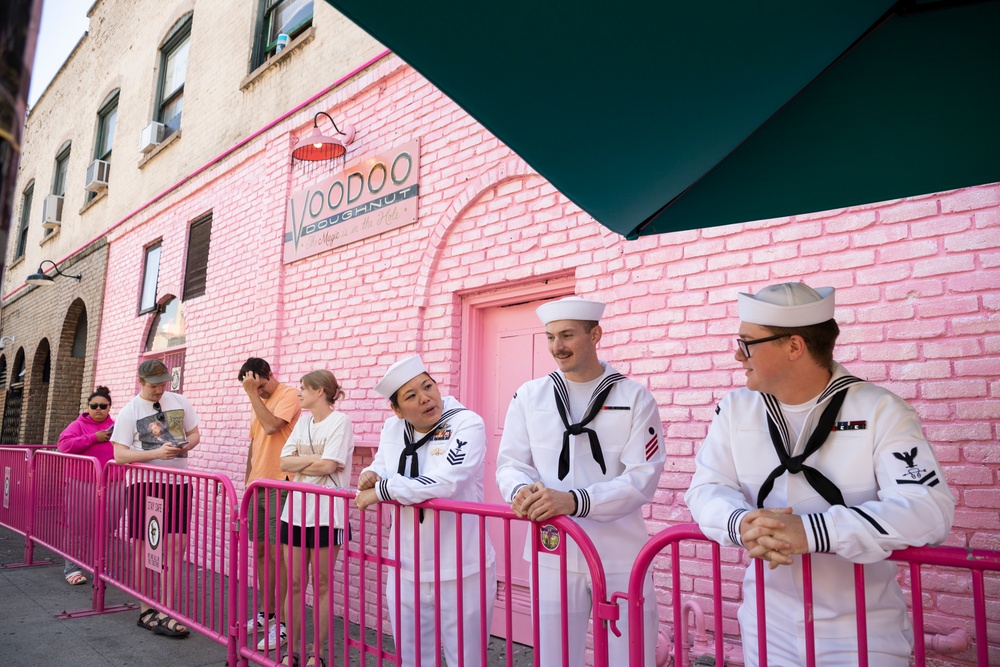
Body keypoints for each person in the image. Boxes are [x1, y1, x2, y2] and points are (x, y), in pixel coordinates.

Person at [684, 282, 956, 667]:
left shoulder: (881, 410)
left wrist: (814, 532)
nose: (735, 354)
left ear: (794, 346)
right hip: (766, 623)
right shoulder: (735, 409)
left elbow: (928, 509)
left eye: (747, 343)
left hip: (863, 631)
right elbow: (706, 488)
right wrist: (741, 523)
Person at [495, 296, 665, 667]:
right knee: (554, 658)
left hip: (620, 551)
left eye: (568, 335)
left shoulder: (635, 397)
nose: (557, 346)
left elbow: (643, 478)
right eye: (551, 336)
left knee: (630, 657)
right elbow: (510, 463)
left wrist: (574, 500)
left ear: (595, 334)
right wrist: (519, 490)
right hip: (550, 548)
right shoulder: (528, 396)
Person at [355, 355, 497, 667]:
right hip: (406, 566)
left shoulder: (466, 423)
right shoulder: (393, 429)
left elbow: (445, 482)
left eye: (428, 386)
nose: (425, 398)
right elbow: (382, 465)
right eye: (411, 396)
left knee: (467, 659)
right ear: (396, 409)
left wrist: (381, 491)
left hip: (462, 567)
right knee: (413, 657)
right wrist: (373, 476)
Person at [112, 359, 201, 638]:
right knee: (145, 547)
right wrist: (155, 454)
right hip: (145, 484)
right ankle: (145, 609)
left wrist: (183, 446)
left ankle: (168, 610)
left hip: (177, 484)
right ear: (140, 382)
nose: (159, 390)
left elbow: (195, 433)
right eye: (153, 386)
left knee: (177, 546)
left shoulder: (179, 401)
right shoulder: (130, 410)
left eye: (163, 384)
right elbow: (120, 455)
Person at [277, 370, 354, 667]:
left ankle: (317, 654)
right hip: (294, 513)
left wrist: (308, 463)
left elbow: (331, 465)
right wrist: (316, 461)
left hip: (327, 514)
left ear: (320, 391)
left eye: (303, 389)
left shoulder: (340, 422)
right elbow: (284, 461)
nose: (299, 393)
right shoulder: (303, 421)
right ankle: (291, 651)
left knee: (322, 584)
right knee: (295, 583)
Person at [239, 357, 302, 650]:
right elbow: (254, 444)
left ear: (270, 375)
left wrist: (253, 394)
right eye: (254, 389)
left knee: (282, 555)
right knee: (262, 551)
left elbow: (271, 427)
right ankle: (268, 613)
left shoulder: (288, 395)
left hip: (281, 484)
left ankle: (285, 625)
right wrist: (247, 481)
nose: (259, 392)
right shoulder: (258, 402)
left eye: (261, 385)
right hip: (259, 485)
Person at [57, 386, 115, 586]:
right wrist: (94, 438)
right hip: (82, 483)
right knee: (77, 526)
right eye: (94, 406)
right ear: (88, 407)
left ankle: (97, 565)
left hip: (112, 483)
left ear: (109, 407)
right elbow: (63, 445)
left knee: (106, 526)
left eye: (103, 406)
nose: (98, 409)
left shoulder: (116, 426)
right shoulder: (78, 425)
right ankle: (72, 568)